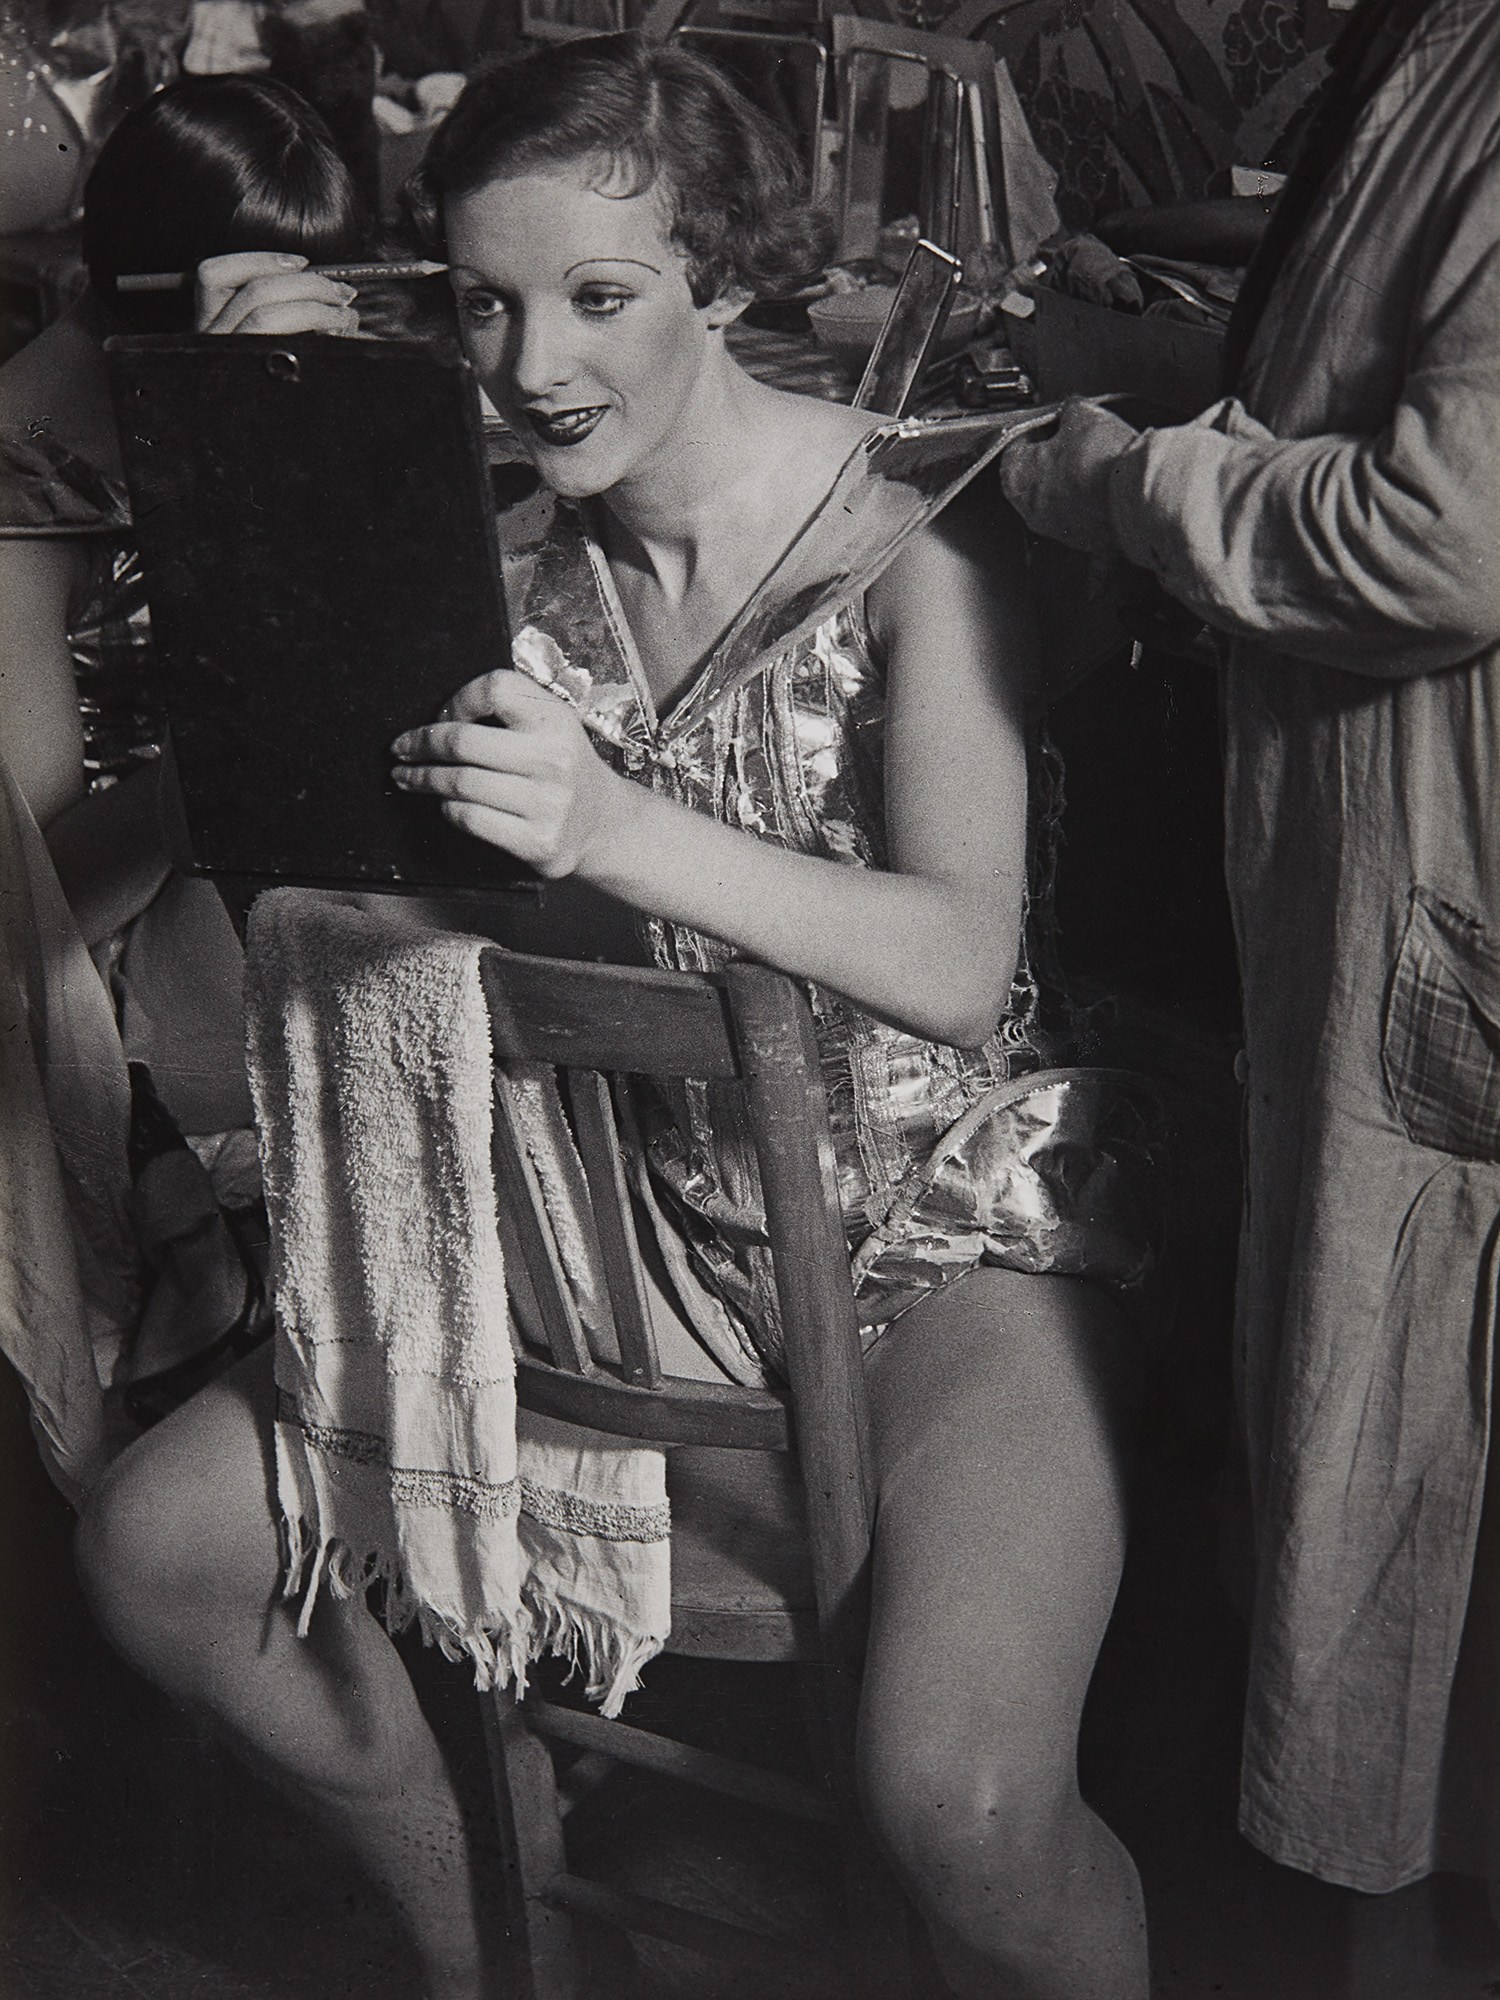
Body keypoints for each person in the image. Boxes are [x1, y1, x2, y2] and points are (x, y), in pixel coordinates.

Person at [75, 36, 1162, 1999]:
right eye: (482, 303)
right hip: (618, 1230)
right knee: (160, 1550)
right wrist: (263, 528)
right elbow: (319, 917)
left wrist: (612, 821)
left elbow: (956, 961)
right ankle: (486, 1935)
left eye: (598, 295)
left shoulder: (918, 545)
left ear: (727, 274)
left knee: (974, 1812)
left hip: (946, 1241)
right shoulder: (486, 567)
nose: (528, 365)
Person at [999, 0, 1500, 1904]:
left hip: (1443, 855)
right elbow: (1367, 304)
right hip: (1373, 844)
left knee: (1396, 1410)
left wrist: (1124, 483)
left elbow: (1441, 538)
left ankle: (1398, 1911)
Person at [0, 75, 369, 1488]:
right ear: (148, 281)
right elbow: (40, 875)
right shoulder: (24, 480)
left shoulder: (175, 386)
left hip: (207, 858)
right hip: (89, 947)